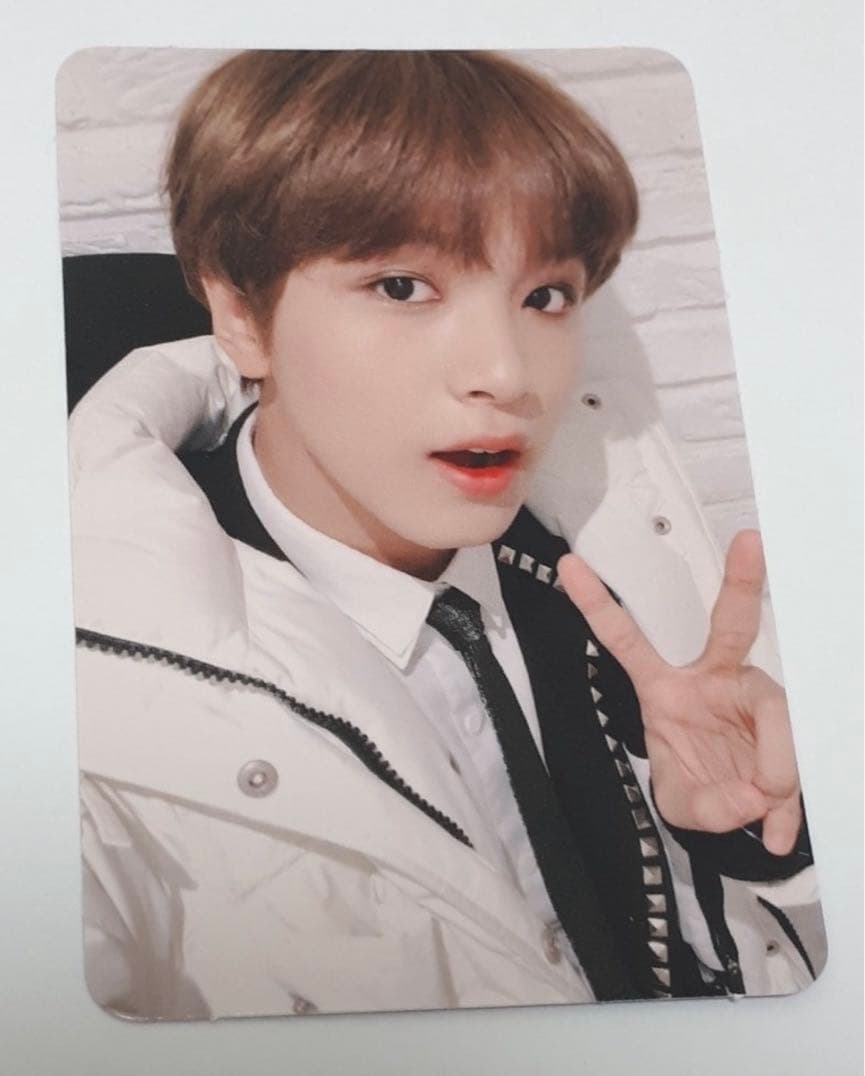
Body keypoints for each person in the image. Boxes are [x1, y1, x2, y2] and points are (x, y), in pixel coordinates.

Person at [69, 49, 824, 1022]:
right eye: (401, 287)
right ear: (241, 314)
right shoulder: (88, 716)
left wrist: (749, 835)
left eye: (545, 296)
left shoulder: (609, 562)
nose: (507, 374)